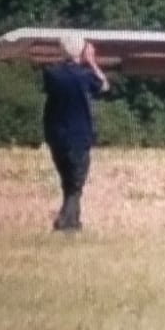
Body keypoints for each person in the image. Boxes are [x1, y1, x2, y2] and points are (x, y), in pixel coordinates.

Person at [41, 34, 109, 232]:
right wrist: (92, 62)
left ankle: (73, 223)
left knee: (68, 182)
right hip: (79, 137)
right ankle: (64, 220)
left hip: (56, 135)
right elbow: (104, 85)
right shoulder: (85, 76)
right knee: (76, 184)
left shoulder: (51, 74)